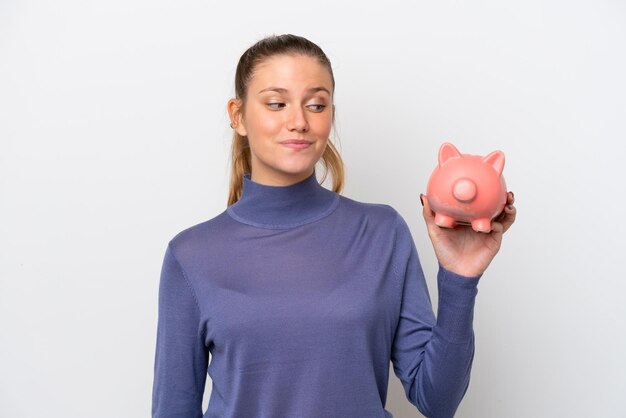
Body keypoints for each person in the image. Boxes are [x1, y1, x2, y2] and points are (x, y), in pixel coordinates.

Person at [151, 34, 516, 418]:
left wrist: (459, 279)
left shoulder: (382, 232)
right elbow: (173, 409)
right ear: (238, 116)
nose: (299, 122)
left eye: (317, 104)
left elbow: (437, 402)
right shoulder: (191, 256)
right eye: (277, 103)